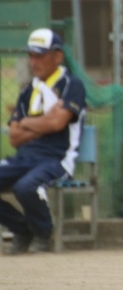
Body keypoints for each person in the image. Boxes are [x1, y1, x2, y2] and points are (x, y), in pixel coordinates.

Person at [1, 28, 87, 254]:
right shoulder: (27, 91)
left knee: (26, 187)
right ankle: (22, 230)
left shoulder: (72, 85)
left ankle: (42, 234)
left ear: (57, 56)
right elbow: (15, 138)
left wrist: (27, 123)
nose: (34, 62)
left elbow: (58, 124)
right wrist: (44, 122)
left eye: (39, 56)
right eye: (31, 56)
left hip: (57, 160)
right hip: (24, 158)